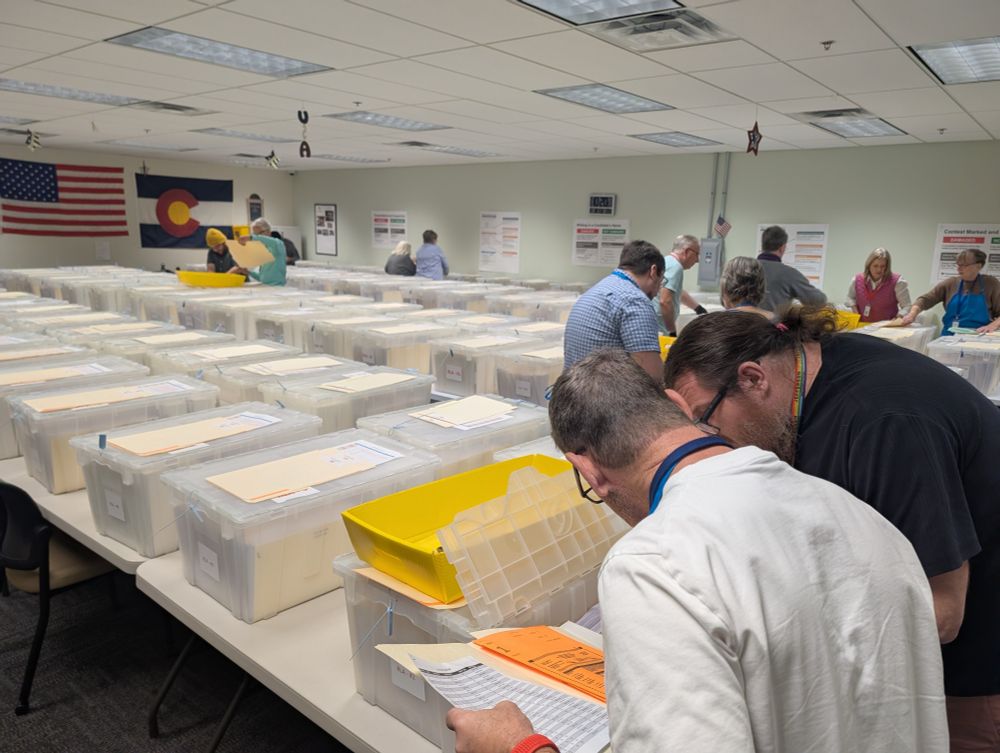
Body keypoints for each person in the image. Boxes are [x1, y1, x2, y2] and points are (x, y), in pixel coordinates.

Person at [448, 350, 947, 753]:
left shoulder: (653, 565)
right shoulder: (855, 512)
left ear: (587, 470)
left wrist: (520, 747)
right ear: (679, 406)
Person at [663, 308, 1000, 751]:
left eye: (707, 422)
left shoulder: (886, 419)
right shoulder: (810, 372)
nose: (713, 443)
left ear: (752, 378)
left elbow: (942, 613)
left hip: (969, 663)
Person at [563, 240, 664, 383]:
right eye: (662, 280)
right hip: (603, 399)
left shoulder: (599, 288)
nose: (660, 287)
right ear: (654, 272)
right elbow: (651, 376)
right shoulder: (635, 301)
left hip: (572, 392)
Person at [901, 248, 1000, 333]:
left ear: (979, 266)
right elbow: (925, 300)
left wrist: (993, 326)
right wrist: (912, 314)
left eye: (964, 265)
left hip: (979, 337)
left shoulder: (991, 284)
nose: (959, 269)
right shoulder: (950, 283)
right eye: (958, 265)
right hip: (949, 336)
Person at [756, 225, 826, 311]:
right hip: (771, 323)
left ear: (763, 246)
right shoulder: (789, 274)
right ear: (782, 248)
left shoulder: (744, 269)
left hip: (741, 322)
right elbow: (818, 300)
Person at [656, 234, 707, 335]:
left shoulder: (667, 261)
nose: (697, 260)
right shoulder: (676, 267)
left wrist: (698, 308)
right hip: (660, 326)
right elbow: (665, 301)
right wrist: (672, 331)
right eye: (697, 254)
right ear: (687, 251)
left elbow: (676, 291)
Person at [845, 247, 910, 322]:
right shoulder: (856, 279)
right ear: (869, 265)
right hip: (862, 326)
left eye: (883, 266)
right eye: (875, 266)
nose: (879, 270)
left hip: (886, 328)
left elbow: (907, 306)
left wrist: (897, 318)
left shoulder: (898, 282)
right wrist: (855, 312)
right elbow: (850, 297)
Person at [231, 217, 286, 286]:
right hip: (266, 287)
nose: (257, 237)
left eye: (259, 233)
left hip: (277, 287)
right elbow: (262, 278)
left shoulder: (278, 244)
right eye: (255, 234)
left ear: (268, 231)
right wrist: (248, 272)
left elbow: (270, 241)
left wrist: (251, 237)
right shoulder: (263, 250)